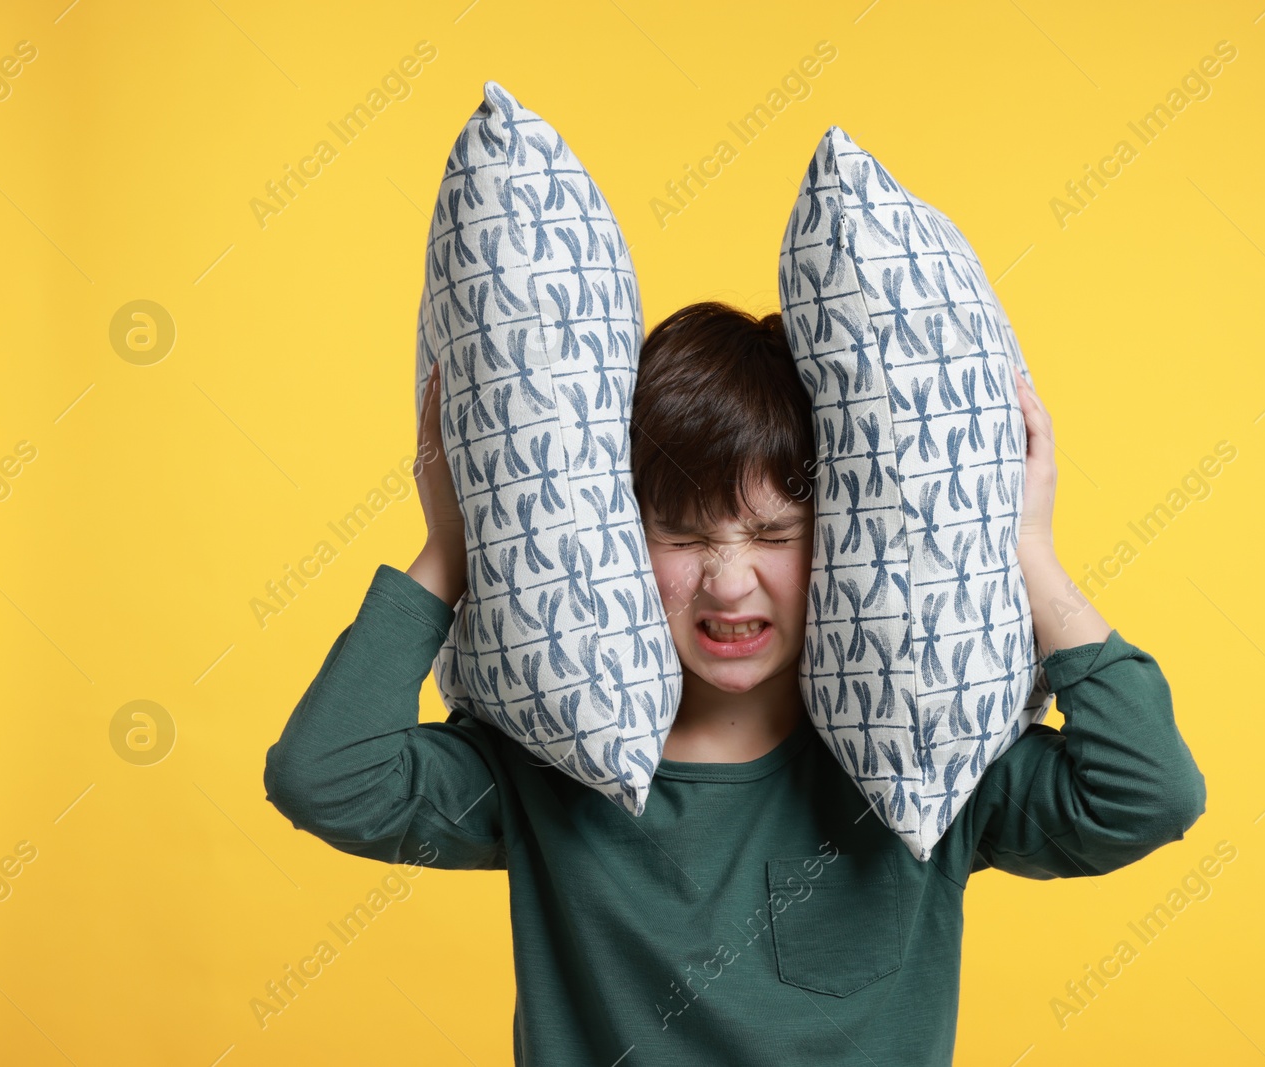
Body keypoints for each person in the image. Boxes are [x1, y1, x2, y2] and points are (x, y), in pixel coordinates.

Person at [262, 301, 1207, 1065]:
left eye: (772, 536)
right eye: (680, 534)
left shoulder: (922, 763)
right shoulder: (554, 765)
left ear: (844, 536)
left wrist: (1025, 551)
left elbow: (1148, 792)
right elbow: (325, 775)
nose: (725, 579)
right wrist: (456, 543)